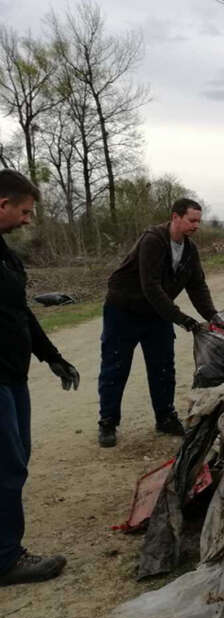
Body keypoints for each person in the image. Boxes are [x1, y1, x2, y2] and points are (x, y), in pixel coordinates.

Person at [0, 169, 79, 585]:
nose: (28, 220)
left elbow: (19, 313)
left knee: (17, 458)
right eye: (26, 212)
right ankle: (6, 558)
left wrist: (52, 356)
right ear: (3, 205)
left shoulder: (5, 253)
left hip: (13, 375)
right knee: (7, 466)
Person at [97, 198, 221, 448]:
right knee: (116, 366)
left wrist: (213, 317)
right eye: (191, 220)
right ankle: (108, 422)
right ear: (175, 217)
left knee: (163, 366)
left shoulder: (189, 250)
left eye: (199, 220)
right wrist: (183, 320)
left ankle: (164, 418)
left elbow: (197, 285)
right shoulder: (153, 240)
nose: (196, 225)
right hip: (124, 311)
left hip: (157, 314)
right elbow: (150, 286)